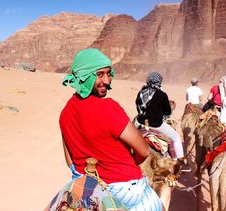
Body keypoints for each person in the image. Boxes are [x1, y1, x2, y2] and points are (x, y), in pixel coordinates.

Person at [60, 48, 163, 211]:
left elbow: (70, 161)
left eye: (108, 74)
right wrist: (125, 166)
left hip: (83, 187)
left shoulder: (65, 113)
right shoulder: (109, 108)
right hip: (123, 189)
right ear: (83, 76)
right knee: (158, 206)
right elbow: (143, 151)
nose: (107, 81)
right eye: (99, 74)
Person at [135, 72, 191, 172]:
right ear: (159, 81)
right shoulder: (161, 95)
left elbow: (137, 106)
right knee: (176, 137)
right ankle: (179, 161)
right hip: (155, 125)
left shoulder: (141, 92)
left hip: (140, 123)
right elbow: (168, 111)